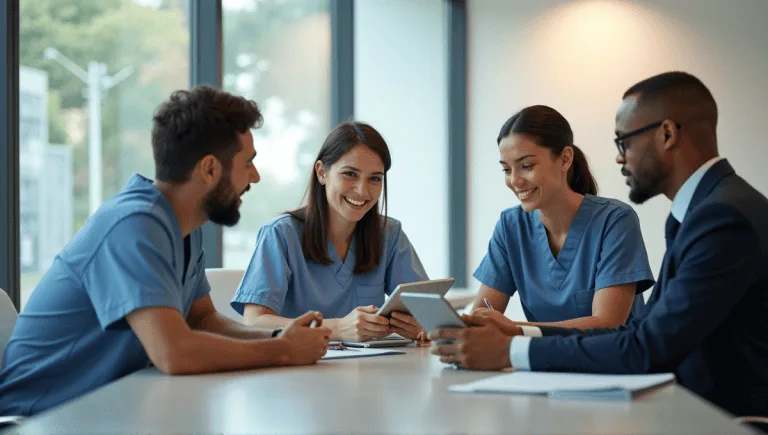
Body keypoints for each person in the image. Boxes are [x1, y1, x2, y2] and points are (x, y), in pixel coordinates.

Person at [431, 72, 768, 417]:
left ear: (666, 134)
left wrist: (511, 348)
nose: (620, 158)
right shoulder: (709, 209)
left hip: (726, 418)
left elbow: (645, 344)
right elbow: (647, 330)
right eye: (506, 168)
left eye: (624, 143)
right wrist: (511, 333)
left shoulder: (722, 218)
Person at [0, 86, 331, 417]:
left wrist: (276, 336)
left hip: (103, 412)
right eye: (248, 163)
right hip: (36, 420)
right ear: (210, 169)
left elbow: (202, 320)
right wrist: (283, 350)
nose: (255, 177)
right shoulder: (133, 225)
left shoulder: (184, 226)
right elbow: (174, 352)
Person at [231, 121, 429, 342]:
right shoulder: (281, 234)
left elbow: (429, 312)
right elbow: (254, 321)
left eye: (375, 178)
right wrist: (336, 328)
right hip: (297, 368)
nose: (362, 190)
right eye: (350, 174)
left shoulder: (390, 235)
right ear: (322, 173)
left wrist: (422, 326)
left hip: (371, 370)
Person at [470, 105, 654, 331]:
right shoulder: (511, 227)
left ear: (565, 159)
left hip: (611, 364)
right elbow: (481, 318)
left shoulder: (615, 221)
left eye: (526, 166)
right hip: (539, 363)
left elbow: (607, 324)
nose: (515, 181)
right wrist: (439, 328)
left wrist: (514, 329)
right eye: (507, 170)